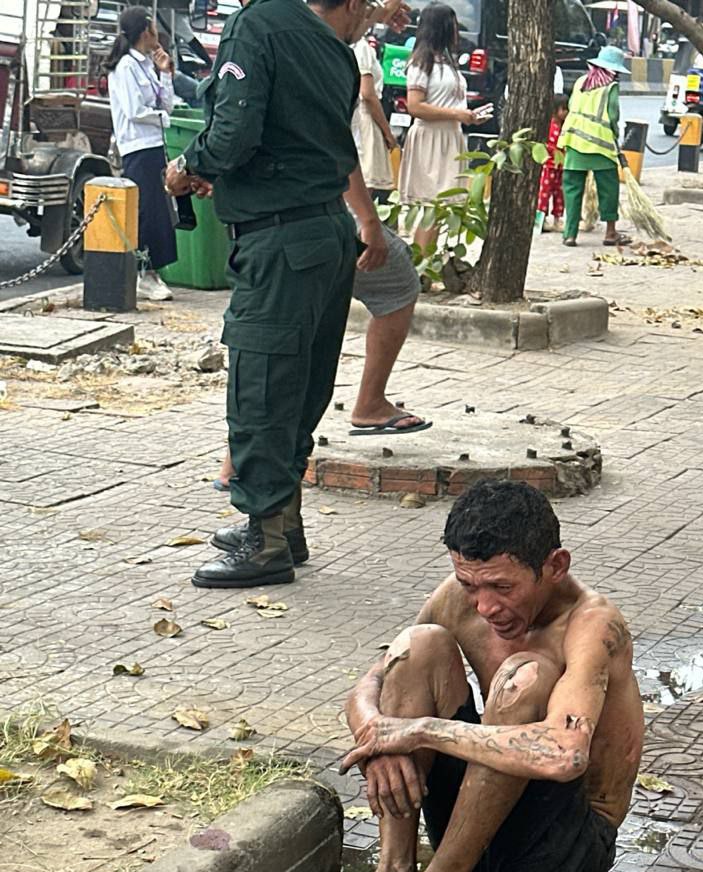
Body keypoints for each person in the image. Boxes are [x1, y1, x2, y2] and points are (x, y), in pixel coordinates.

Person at [307, 480, 645, 872]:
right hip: (473, 837)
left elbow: (565, 753)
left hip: (557, 862)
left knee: (524, 676)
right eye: (470, 585)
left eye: (503, 588)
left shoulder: (593, 623)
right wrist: (377, 737)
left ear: (555, 566)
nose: (485, 607)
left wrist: (418, 731)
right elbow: (371, 686)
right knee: (418, 645)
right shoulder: (457, 598)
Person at [164, 0, 390, 590]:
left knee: (262, 388)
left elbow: (234, 131)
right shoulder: (333, 48)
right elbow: (308, 140)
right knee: (301, 386)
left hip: (281, 241)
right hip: (325, 232)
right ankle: (284, 524)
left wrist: (190, 165)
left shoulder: (254, 25)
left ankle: (263, 541)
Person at [106, 7, 177, 303]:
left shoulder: (147, 65)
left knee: (160, 211)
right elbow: (135, 110)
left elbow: (166, 103)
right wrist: (163, 118)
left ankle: (154, 271)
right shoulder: (125, 67)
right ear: (145, 32)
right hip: (137, 146)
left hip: (154, 144)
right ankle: (144, 272)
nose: (158, 33)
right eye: (154, 27)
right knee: (147, 212)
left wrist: (166, 73)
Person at [398, 3, 480, 256]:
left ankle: (427, 261)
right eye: (453, 26)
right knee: (432, 206)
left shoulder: (447, 61)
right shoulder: (421, 62)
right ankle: (420, 263)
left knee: (442, 207)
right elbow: (415, 106)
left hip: (451, 137)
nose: (458, 31)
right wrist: (456, 114)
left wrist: (467, 115)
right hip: (431, 139)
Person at [556, 45, 631, 249]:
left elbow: (572, 106)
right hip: (600, 146)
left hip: (574, 142)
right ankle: (610, 232)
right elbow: (613, 115)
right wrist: (615, 135)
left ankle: (570, 234)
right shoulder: (610, 88)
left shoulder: (581, 81)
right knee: (608, 189)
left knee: (572, 190)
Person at [353, 30, 398, 197]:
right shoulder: (362, 47)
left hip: (354, 115)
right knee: (363, 187)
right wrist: (387, 133)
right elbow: (368, 95)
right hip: (365, 119)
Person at [538, 95, 568, 232]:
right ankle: (541, 219)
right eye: (563, 109)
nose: (566, 112)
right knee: (544, 193)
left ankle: (557, 219)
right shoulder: (549, 126)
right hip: (549, 165)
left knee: (559, 194)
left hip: (561, 166)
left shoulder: (565, 127)